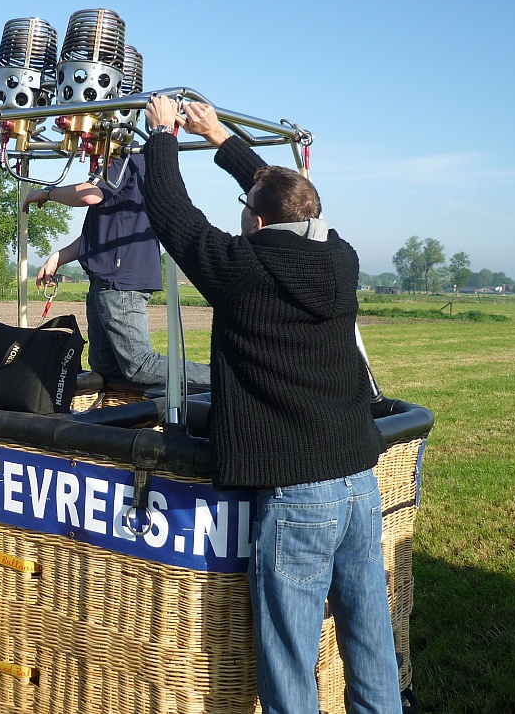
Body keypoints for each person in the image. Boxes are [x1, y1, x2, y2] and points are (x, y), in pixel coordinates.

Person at [143, 96, 400, 713]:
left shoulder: (243, 269)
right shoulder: (341, 259)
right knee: (370, 638)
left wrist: (163, 136)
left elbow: (174, 216)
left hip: (298, 493)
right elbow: (294, 201)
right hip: (359, 483)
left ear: (255, 223)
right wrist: (219, 136)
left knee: (288, 657)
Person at [23, 151, 210, 387]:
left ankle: (224, 380)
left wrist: (46, 193)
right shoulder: (129, 164)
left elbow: (89, 195)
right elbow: (103, 233)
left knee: (139, 364)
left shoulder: (123, 156)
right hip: (106, 280)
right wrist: (59, 257)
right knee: (104, 366)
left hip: (118, 281)